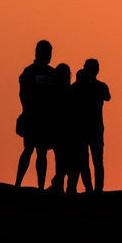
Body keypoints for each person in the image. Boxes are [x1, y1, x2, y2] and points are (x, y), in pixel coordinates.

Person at [15, 40, 55, 188]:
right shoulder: (29, 72)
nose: (50, 55)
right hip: (34, 117)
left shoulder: (51, 73)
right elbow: (23, 95)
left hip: (43, 118)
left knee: (40, 152)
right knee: (31, 150)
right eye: (48, 52)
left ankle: (39, 186)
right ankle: (20, 183)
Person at [73, 58, 111, 192]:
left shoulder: (78, 87)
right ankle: (97, 189)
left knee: (85, 160)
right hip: (95, 128)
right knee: (97, 160)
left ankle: (89, 188)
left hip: (83, 128)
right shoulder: (101, 86)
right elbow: (107, 97)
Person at [48, 63, 84, 194]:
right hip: (67, 133)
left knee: (63, 162)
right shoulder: (71, 92)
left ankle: (61, 186)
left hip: (64, 133)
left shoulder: (55, 93)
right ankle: (65, 187)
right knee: (71, 162)